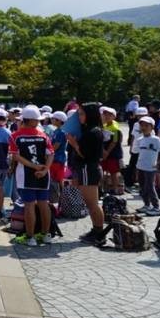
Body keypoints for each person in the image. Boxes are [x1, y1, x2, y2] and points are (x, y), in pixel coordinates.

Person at [10, 106, 54, 246]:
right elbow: (51, 154)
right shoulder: (43, 135)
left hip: (25, 175)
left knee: (29, 205)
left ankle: (30, 237)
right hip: (43, 174)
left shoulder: (15, 136)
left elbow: (15, 157)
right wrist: (45, 169)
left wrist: (34, 167)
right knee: (43, 204)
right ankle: (46, 235)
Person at [67, 103, 107, 245]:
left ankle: (99, 232)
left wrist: (74, 144)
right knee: (91, 204)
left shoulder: (93, 132)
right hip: (86, 169)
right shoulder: (90, 130)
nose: (80, 117)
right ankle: (96, 229)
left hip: (88, 168)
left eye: (82, 114)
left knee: (92, 204)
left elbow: (85, 154)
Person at [134, 116, 160, 216]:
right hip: (140, 167)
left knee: (150, 187)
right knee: (142, 187)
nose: (143, 127)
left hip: (150, 168)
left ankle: (156, 208)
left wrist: (158, 163)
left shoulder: (155, 139)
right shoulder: (140, 139)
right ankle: (147, 205)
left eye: (146, 125)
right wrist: (137, 167)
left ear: (152, 127)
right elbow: (139, 154)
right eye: (142, 125)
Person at [100, 107, 124, 195]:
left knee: (113, 172)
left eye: (109, 114)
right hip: (104, 152)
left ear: (114, 116)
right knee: (102, 170)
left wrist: (106, 152)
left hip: (113, 153)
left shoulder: (115, 127)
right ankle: (102, 188)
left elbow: (114, 142)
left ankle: (115, 189)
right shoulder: (103, 125)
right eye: (105, 114)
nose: (106, 116)